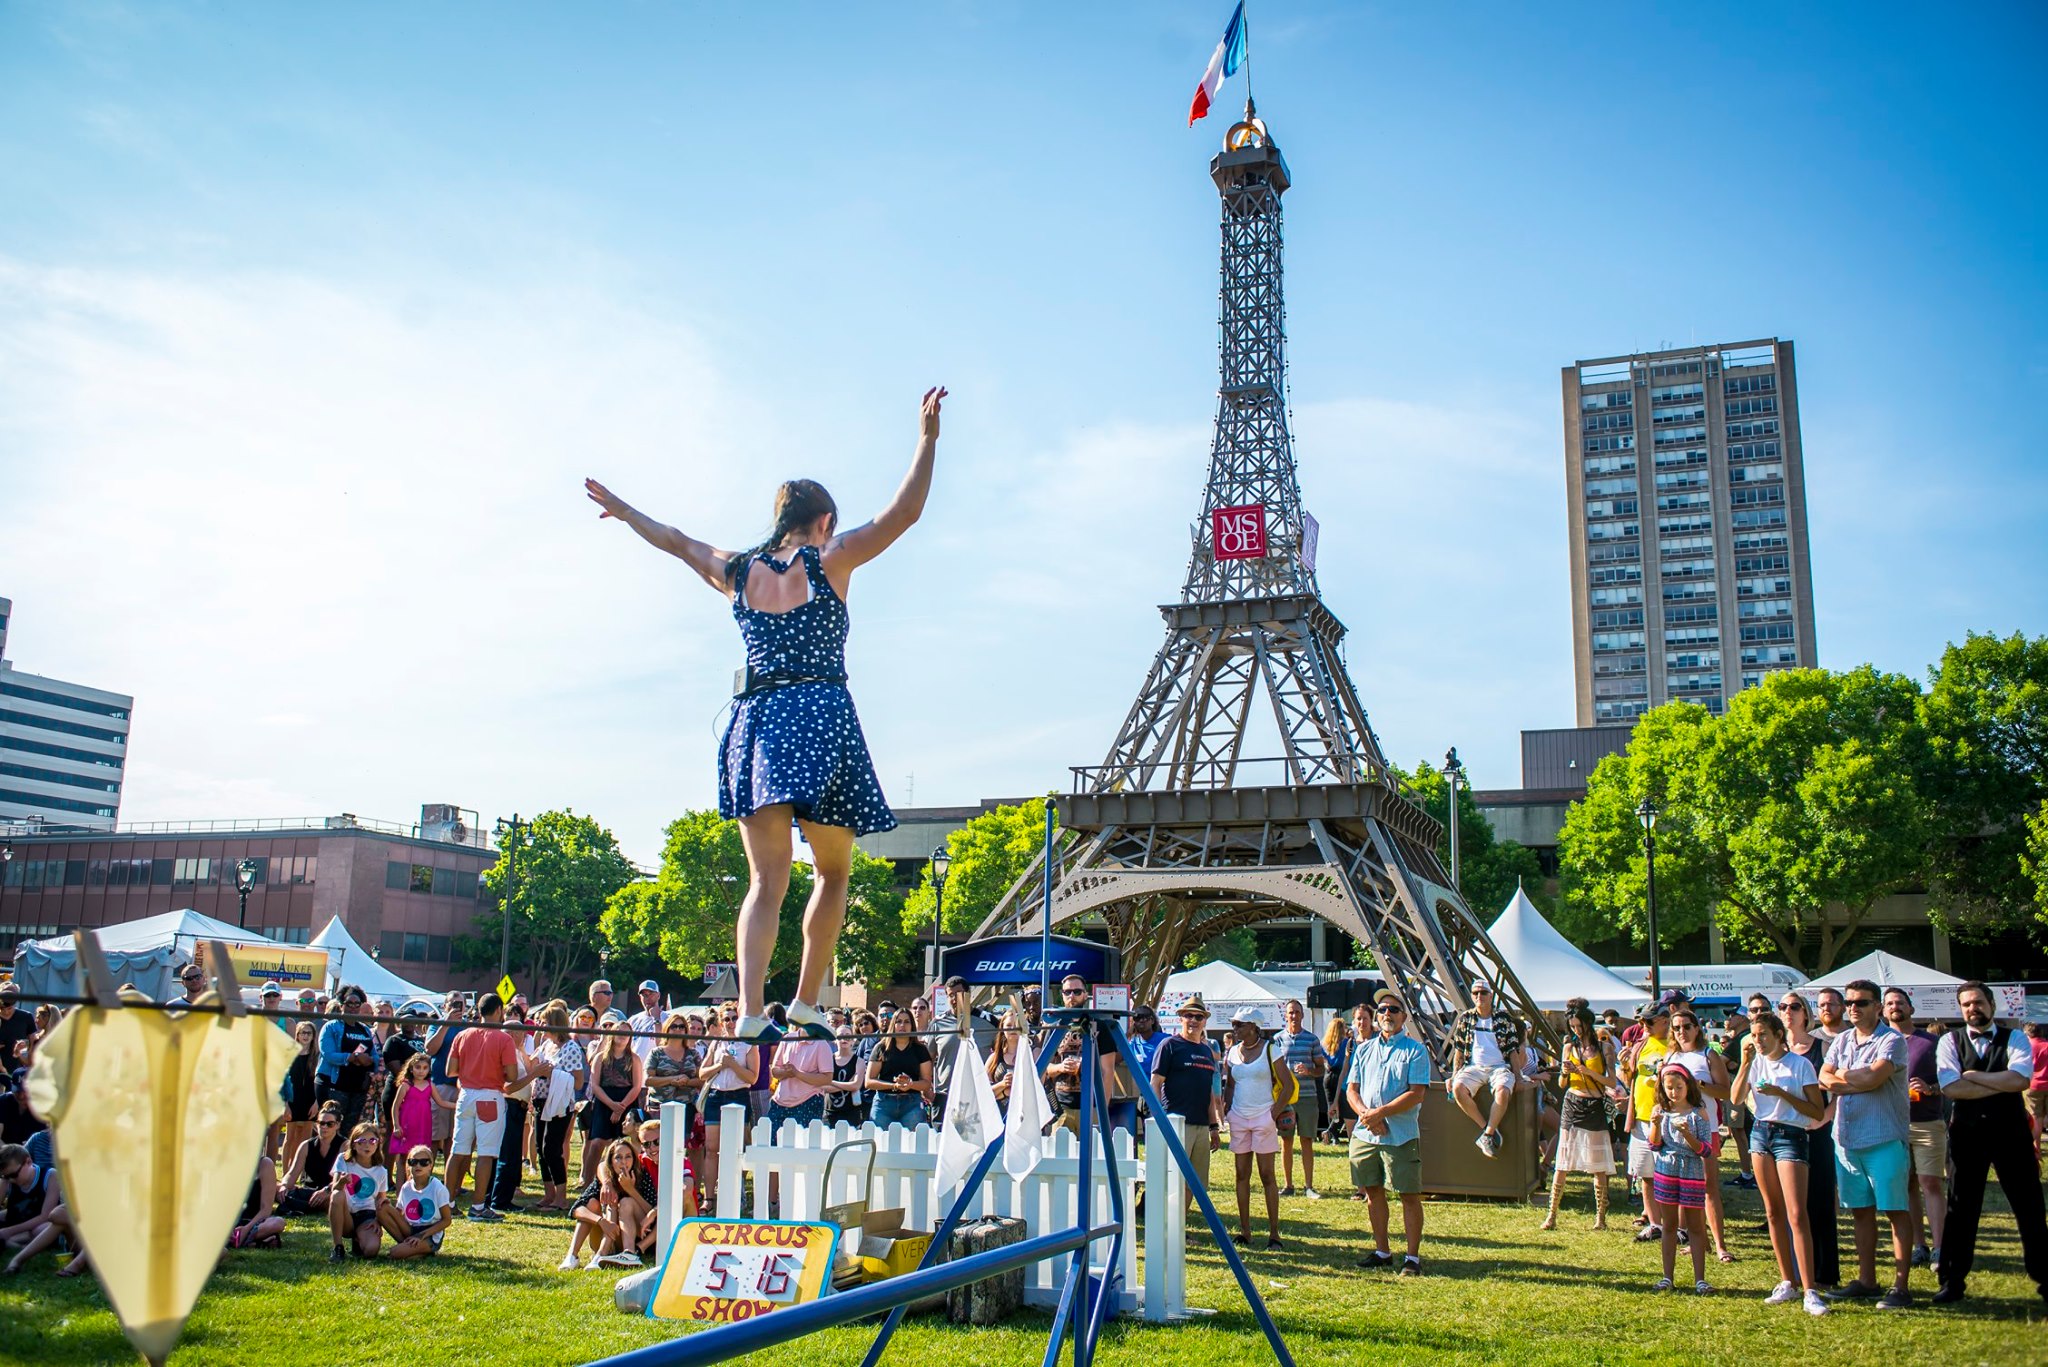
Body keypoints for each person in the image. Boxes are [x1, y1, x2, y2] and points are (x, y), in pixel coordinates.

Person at [585, 387, 945, 1046]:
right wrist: (926, 438)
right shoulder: (829, 559)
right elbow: (905, 512)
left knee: (764, 879)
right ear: (824, 520)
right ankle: (807, 999)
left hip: (758, 722)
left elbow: (675, 541)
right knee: (833, 872)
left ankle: (751, 1008)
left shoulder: (739, 568)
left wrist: (624, 509)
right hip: (821, 712)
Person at [1932, 980, 2048, 1306]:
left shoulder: (2016, 1037)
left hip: (2011, 1135)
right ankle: (1952, 1281)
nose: (1973, 1008)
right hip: (1966, 1137)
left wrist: (1973, 1077)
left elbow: (2021, 1079)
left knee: (2030, 1208)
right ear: (1961, 1008)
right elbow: (1950, 1087)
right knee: (1961, 1208)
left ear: (1991, 1005)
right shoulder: (1949, 1041)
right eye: (1966, 1004)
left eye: (1978, 1002)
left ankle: (2046, 1279)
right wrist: (2000, 1083)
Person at [1818, 977, 1913, 1309]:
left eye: (1861, 1003)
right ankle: (1867, 1280)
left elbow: (1874, 1077)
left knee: (1895, 1210)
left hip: (1884, 1137)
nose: (1853, 1008)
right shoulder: (1842, 1040)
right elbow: (1823, 1078)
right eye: (1849, 1003)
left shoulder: (1893, 1041)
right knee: (1860, 1212)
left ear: (1877, 1006)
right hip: (1847, 1140)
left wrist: (1846, 1078)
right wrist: (1858, 1079)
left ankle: (1901, 1286)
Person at [1733, 1009, 1828, 1315]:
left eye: (1763, 1035)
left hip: (1791, 1134)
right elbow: (1735, 1099)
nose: (1757, 1041)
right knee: (1773, 1212)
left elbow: (1816, 1111)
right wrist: (1746, 1063)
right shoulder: (1755, 1062)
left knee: (1797, 1213)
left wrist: (1781, 1093)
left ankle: (1810, 1289)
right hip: (1760, 1133)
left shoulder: (1799, 1065)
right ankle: (1787, 1281)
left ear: (1778, 1036)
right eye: (1754, 1035)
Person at [1347, 989, 1430, 1276]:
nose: (1386, 1015)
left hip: (1400, 1134)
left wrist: (1380, 1114)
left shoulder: (1415, 1050)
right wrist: (1367, 1116)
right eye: (1382, 1009)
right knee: (1372, 1191)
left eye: (1393, 1010)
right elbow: (1352, 1089)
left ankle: (1412, 1258)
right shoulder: (1364, 1049)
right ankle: (1383, 1251)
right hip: (1366, 1132)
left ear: (1404, 1017)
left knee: (1408, 1195)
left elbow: (1416, 1094)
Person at [445, 992, 530, 1222]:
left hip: (466, 1095)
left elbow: (450, 1071)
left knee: (458, 1150)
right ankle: (478, 1206)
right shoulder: (503, 1039)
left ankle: (448, 1203)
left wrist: (471, 1069)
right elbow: (511, 1076)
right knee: (486, 1154)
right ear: (499, 1010)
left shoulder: (462, 1035)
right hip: (490, 1096)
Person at [1778, 991, 1841, 1292]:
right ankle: (1794, 1273)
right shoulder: (1774, 1048)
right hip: (1784, 1133)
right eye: (1783, 1007)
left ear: (1806, 1013)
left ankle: (1825, 1272)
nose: (1788, 1011)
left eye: (1794, 1006)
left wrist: (1824, 1118)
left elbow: (1838, 1090)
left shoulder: (1824, 1047)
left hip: (1817, 1130)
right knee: (1791, 1206)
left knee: (1819, 1200)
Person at [1882, 987, 1945, 1269]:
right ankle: (1919, 1245)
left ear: (1911, 1008)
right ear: (1883, 1011)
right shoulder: (1879, 1042)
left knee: (1929, 1182)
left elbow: (1950, 1079)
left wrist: (1931, 1088)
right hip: (1893, 1123)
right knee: (1906, 1185)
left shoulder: (1931, 1042)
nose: (1895, 1007)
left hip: (1927, 1121)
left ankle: (1940, 1248)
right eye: (1889, 1003)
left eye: (1900, 1003)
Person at [1664, 1009, 1734, 1262]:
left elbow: (1726, 1092)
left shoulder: (1708, 1054)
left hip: (1707, 1128)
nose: (1682, 1032)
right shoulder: (1671, 1055)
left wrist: (1698, 1084)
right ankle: (1698, 1240)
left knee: (1708, 1187)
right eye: (1677, 1027)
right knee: (1686, 1188)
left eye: (1686, 1026)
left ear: (1697, 1028)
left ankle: (1720, 1245)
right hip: (1678, 1130)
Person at [1221, 1008, 1290, 1249]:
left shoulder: (1271, 1049)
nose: (1235, 1028)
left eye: (1239, 1024)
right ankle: (1245, 1231)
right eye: (1234, 1024)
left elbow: (1288, 1084)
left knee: (1267, 1175)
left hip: (1263, 1116)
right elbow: (1229, 1083)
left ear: (1254, 1026)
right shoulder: (1232, 1052)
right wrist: (1227, 1108)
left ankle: (1274, 1234)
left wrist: (1273, 1113)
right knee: (1241, 1174)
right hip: (1239, 1117)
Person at [1545, 1004, 1615, 1230]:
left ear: (1588, 1024)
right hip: (1573, 1101)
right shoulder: (1568, 1048)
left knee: (1598, 1165)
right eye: (1572, 1026)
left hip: (1594, 1103)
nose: (1576, 1030)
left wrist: (1588, 1072)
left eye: (1579, 1026)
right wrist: (1565, 1073)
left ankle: (1600, 1218)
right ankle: (1551, 1215)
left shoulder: (1604, 1048)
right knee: (1562, 1162)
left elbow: (1612, 1082)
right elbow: (1561, 1084)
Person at [1151, 996, 1223, 1208]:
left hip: (1201, 1125)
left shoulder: (1206, 1052)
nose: (1193, 1020)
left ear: (1205, 1021)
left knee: (1195, 1184)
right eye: (1188, 1015)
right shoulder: (1169, 1045)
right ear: (1181, 1018)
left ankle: (1179, 1228)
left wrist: (1214, 1127)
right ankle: (1169, 1228)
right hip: (1175, 1122)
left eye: (1198, 1016)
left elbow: (1209, 1092)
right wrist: (1159, 1119)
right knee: (1174, 1180)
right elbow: (1155, 1083)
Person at [1649, 1064, 1713, 1294]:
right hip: (1666, 1169)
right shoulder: (1660, 1111)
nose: (1674, 1092)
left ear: (1688, 1086)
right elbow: (1655, 1144)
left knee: (1695, 1226)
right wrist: (1655, 1125)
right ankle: (1667, 1277)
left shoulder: (1698, 1113)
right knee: (1669, 1225)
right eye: (1669, 1088)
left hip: (1692, 1171)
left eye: (1678, 1086)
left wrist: (1687, 1134)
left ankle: (1700, 1279)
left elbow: (1705, 1150)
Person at [1446, 981, 1525, 1158]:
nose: (1478, 996)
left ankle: (1488, 1133)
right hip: (1474, 1067)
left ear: (1490, 995)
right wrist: (1454, 1075)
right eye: (1475, 993)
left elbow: (1513, 1050)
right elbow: (1459, 1050)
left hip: (1499, 1067)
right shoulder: (1465, 1019)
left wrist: (1518, 1076)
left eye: (1482, 993)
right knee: (1458, 1089)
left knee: (1503, 1091)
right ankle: (1487, 1131)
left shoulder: (1503, 1019)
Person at [1621, 1001, 1673, 1241]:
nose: (1643, 1025)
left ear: (1664, 1019)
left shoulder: (1675, 1044)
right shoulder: (1641, 1044)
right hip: (1642, 1115)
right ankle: (1655, 1224)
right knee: (1646, 1173)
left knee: (1671, 1173)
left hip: (1669, 1117)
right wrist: (1624, 1066)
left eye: (1648, 1021)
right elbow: (1629, 1077)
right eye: (1641, 1021)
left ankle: (1677, 1226)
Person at [564, 1138, 657, 1271]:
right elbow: (576, 1209)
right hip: (610, 1230)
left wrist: (630, 1189)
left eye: (628, 1156)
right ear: (611, 1161)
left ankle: (627, 1253)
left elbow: (652, 1212)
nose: (624, 1162)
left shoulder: (641, 1175)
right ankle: (572, 1256)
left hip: (638, 1235)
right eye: (618, 1157)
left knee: (626, 1202)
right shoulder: (606, 1179)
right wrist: (601, 1221)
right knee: (594, 1202)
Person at [531, 1003, 588, 1214]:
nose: (540, 1025)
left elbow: (578, 1082)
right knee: (540, 1149)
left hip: (559, 1105)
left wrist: (551, 1074)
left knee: (551, 1149)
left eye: (544, 1022)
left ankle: (561, 1197)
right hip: (540, 1101)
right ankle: (549, 1194)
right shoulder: (546, 1045)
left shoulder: (571, 1048)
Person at [697, 1006, 759, 1199]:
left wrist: (733, 1065)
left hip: (738, 1096)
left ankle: (735, 1194)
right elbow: (702, 1073)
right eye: (727, 1019)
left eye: (734, 1018)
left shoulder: (749, 1044)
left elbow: (752, 1077)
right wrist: (720, 1065)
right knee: (712, 1149)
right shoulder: (717, 1042)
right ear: (721, 1023)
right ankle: (709, 1197)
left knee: (736, 1148)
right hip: (716, 1096)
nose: (731, 1023)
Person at [1272, 999, 1328, 1198]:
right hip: (1285, 1098)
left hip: (1307, 1096)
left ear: (1302, 1015)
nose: (1293, 1015)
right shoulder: (1277, 1040)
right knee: (1286, 1141)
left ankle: (1309, 1186)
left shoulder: (1312, 1039)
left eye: (1297, 1012)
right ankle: (1288, 1185)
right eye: (1290, 1012)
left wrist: (1309, 1070)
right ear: (1285, 1016)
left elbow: (1321, 1069)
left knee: (1306, 1140)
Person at [583, 1019, 647, 1186]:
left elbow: (636, 1086)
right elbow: (595, 1085)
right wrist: (611, 1105)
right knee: (596, 1143)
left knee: (622, 1145)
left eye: (626, 1033)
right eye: (619, 1031)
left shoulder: (633, 1059)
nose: (622, 1036)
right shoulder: (600, 1057)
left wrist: (620, 1108)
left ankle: (620, 1182)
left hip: (626, 1100)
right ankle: (588, 1181)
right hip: (604, 1100)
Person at [930, 976, 999, 1125]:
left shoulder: (989, 1022)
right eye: (950, 995)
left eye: (959, 993)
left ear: (968, 994)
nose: (955, 999)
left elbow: (1003, 1050)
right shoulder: (938, 1023)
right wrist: (929, 1092)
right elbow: (928, 1059)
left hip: (979, 1092)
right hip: (945, 1093)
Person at [313, 983, 377, 1132]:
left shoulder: (365, 1029)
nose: (353, 1007)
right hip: (333, 1086)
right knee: (330, 1129)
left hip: (357, 1088)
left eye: (357, 1004)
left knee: (348, 1131)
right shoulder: (331, 1027)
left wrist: (368, 1060)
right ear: (342, 1005)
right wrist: (352, 1057)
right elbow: (328, 1054)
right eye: (349, 1003)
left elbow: (373, 1055)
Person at [328, 1122, 392, 1263]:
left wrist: (377, 1221)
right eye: (362, 1141)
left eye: (372, 1141)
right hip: (346, 1214)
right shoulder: (343, 1160)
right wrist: (343, 1182)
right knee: (337, 1194)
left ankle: (359, 1241)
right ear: (354, 1144)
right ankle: (337, 1247)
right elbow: (335, 1188)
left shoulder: (381, 1171)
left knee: (371, 1250)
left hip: (366, 1216)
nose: (367, 1145)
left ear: (378, 1144)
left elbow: (381, 1201)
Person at [865, 1009, 933, 1129]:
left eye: (907, 1022)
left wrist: (910, 1084)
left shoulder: (920, 1050)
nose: (902, 1025)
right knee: (880, 1143)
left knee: (913, 1144)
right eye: (899, 1021)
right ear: (893, 1025)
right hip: (883, 1104)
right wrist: (894, 1086)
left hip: (912, 1104)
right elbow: (869, 1082)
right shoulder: (881, 1048)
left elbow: (926, 1083)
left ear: (912, 1025)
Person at [423, 991, 470, 1158]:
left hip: (461, 1086)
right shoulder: (437, 1025)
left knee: (454, 1136)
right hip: (440, 1085)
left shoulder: (468, 1028)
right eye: (452, 1004)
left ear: (465, 1007)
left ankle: (449, 1182)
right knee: (435, 1135)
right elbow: (430, 1049)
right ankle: (428, 1174)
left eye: (460, 1004)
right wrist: (446, 1024)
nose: (456, 1007)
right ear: (445, 1006)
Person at [387, 1145, 454, 1260]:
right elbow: (398, 1214)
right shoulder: (406, 1187)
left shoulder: (438, 1187)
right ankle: (411, 1249)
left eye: (424, 1162)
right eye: (413, 1162)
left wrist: (421, 1235)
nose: (418, 1165)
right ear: (408, 1165)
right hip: (411, 1229)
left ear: (430, 1166)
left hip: (430, 1233)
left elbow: (447, 1220)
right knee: (382, 1208)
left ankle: (419, 1250)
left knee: (394, 1253)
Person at [767, 1028, 836, 1128]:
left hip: (808, 1102)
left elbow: (827, 1078)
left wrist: (797, 1074)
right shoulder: (787, 1038)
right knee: (772, 1141)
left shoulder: (821, 1044)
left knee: (801, 1142)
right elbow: (775, 1071)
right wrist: (787, 1072)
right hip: (780, 1101)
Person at [388, 1051, 438, 1186]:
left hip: (423, 1126)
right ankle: (400, 1194)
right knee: (403, 1160)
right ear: (411, 1068)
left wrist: (459, 1105)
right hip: (407, 1126)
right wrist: (396, 1125)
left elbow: (442, 1102)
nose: (421, 1071)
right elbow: (395, 1106)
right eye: (418, 1067)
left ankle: (415, 1190)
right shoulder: (406, 1085)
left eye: (425, 1068)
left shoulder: (429, 1085)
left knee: (419, 1158)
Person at [280, 1019, 320, 1172]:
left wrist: (317, 1103)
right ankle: (285, 1173)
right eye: (302, 1032)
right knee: (289, 1138)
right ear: (297, 1035)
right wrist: (286, 1105)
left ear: (313, 1036)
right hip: (292, 1099)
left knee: (305, 1139)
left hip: (310, 1100)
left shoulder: (317, 1056)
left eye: (308, 1033)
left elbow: (320, 1081)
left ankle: (298, 1172)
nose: (305, 1036)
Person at [227, 1155, 287, 1251]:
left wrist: (246, 1229)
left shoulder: (265, 1164)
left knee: (278, 1223)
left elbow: (266, 1209)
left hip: (254, 1222)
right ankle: (256, 1242)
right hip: (227, 1223)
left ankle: (242, 1240)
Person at [1321, 1013, 1354, 1144]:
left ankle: (1333, 1136)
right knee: (1342, 1105)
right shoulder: (1346, 1043)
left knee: (1331, 1105)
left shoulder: (1324, 1044)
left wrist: (1326, 1063)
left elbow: (1323, 1059)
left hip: (1328, 1076)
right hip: (1342, 1074)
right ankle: (1331, 1130)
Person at [627, 981, 665, 1063]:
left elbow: (663, 1044)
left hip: (656, 1069)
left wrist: (656, 1018)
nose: (648, 997)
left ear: (658, 995)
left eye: (651, 994)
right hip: (635, 1068)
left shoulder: (667, 1018)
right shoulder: (633, 1020)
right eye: (644, 995)